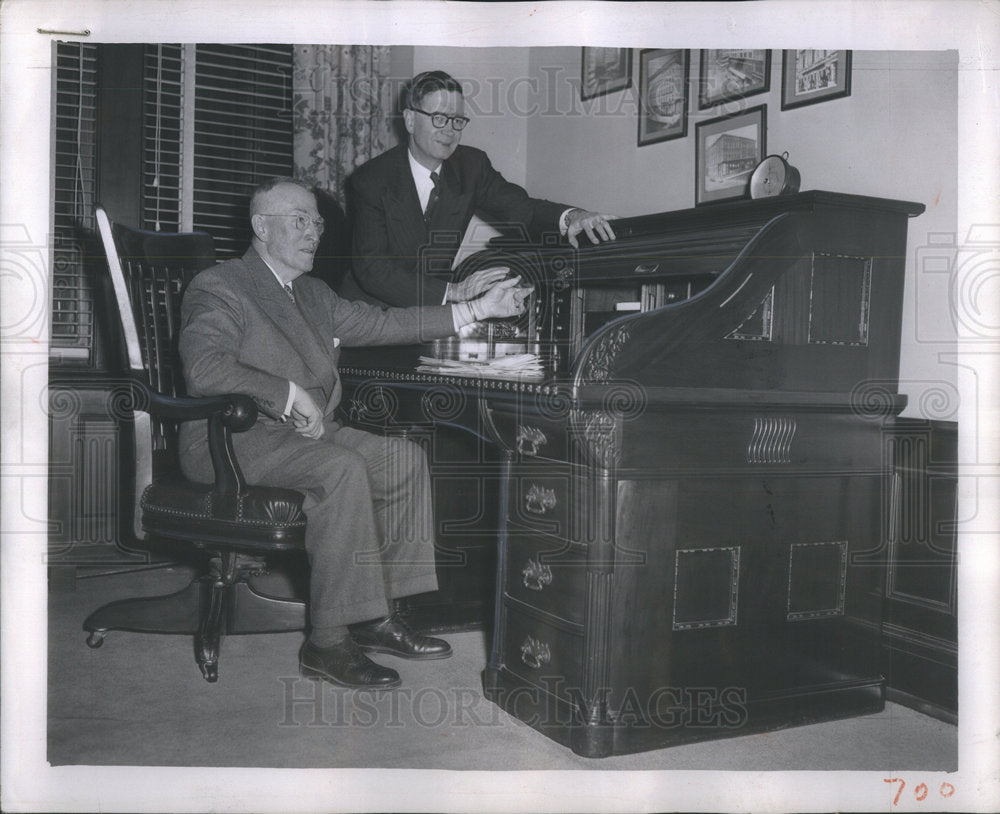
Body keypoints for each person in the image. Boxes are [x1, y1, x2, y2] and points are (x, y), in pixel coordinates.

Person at [177, 177, 527, 690]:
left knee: (402, 458)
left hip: (300, 437)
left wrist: (479, 309)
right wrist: (288, 393)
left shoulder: (315, 293)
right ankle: (328, 643)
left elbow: (388, 323)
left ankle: (377, 616)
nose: (314, 231)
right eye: (299, 220)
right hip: (230, 440)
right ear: (260, 227)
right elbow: (204, 369)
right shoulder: (221, 285)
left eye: (317, 221)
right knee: (341, 469)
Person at [341, 69, 619, 307]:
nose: (449, 130)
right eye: (439, 117)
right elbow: (373, 271)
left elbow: (524, 211)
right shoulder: (372, 179)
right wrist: (453, 291)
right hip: (370, 311)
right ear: (411, 120)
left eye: (458, 120)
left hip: (432, 311)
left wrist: (573, 218)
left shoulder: (471, 166)